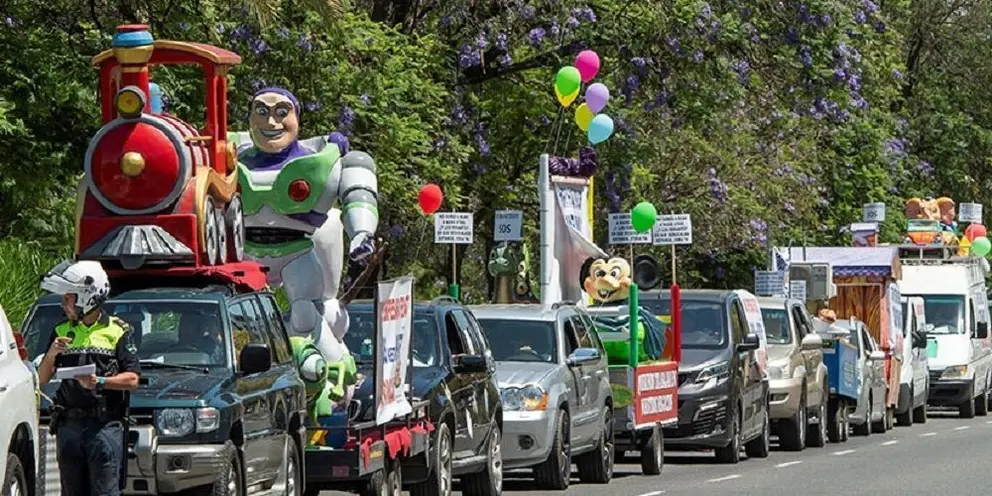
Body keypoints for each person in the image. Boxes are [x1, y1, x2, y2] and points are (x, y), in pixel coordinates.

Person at [36, 260, 140, 496]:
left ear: (86, 297)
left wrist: (100, 382)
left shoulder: (119, 330)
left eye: (68, 297)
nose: (64, 304)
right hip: (69, 426)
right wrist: (52, 353)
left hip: (104, 426)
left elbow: (132, 379)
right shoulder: (61, 330)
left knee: (105, 491)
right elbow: (41, 379)